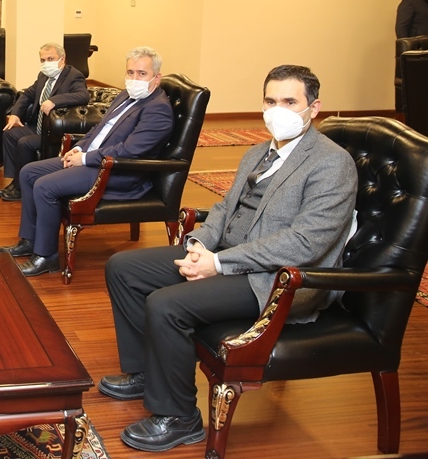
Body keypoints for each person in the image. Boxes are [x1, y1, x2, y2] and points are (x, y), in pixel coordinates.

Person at [100, 64, 358, 453]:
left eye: (290, 102)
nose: (278, 110)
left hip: (277, 279)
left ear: (314, 107)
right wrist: (199, 245)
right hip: (227, 255)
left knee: (166, 304)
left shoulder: (331, 162)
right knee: (123, 267)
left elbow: (306, 243)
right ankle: (145, 372)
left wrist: (218, 264)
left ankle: (180, 418)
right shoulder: (257, 152)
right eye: (270, 101)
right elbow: (224, 209)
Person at [0, 46, 174, 277]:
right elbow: (99, 128)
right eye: (130, 72)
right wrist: (79, 147)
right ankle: (30, 241)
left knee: (45, 185)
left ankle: (46, 257)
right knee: (29, 172)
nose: (134, 79)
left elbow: (131, 151)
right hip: (93, 159)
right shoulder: (125, 95)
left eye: (142, 73)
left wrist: (85, 158)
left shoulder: (157, 109)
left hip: (117, 171)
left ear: (156, 78)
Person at [0, 42, 88, 201]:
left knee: (25, 142)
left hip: (54, 131)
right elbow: (27, 95)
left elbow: (83, 95)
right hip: (38, 126)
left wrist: (54, 101)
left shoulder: (74, 76)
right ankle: (15, 181)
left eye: (50, 59)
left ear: (62, 59)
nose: (46, 63)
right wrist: (15, 114)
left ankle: (20, 189)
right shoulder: (43, 76)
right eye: (43, 60)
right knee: (10, 134)